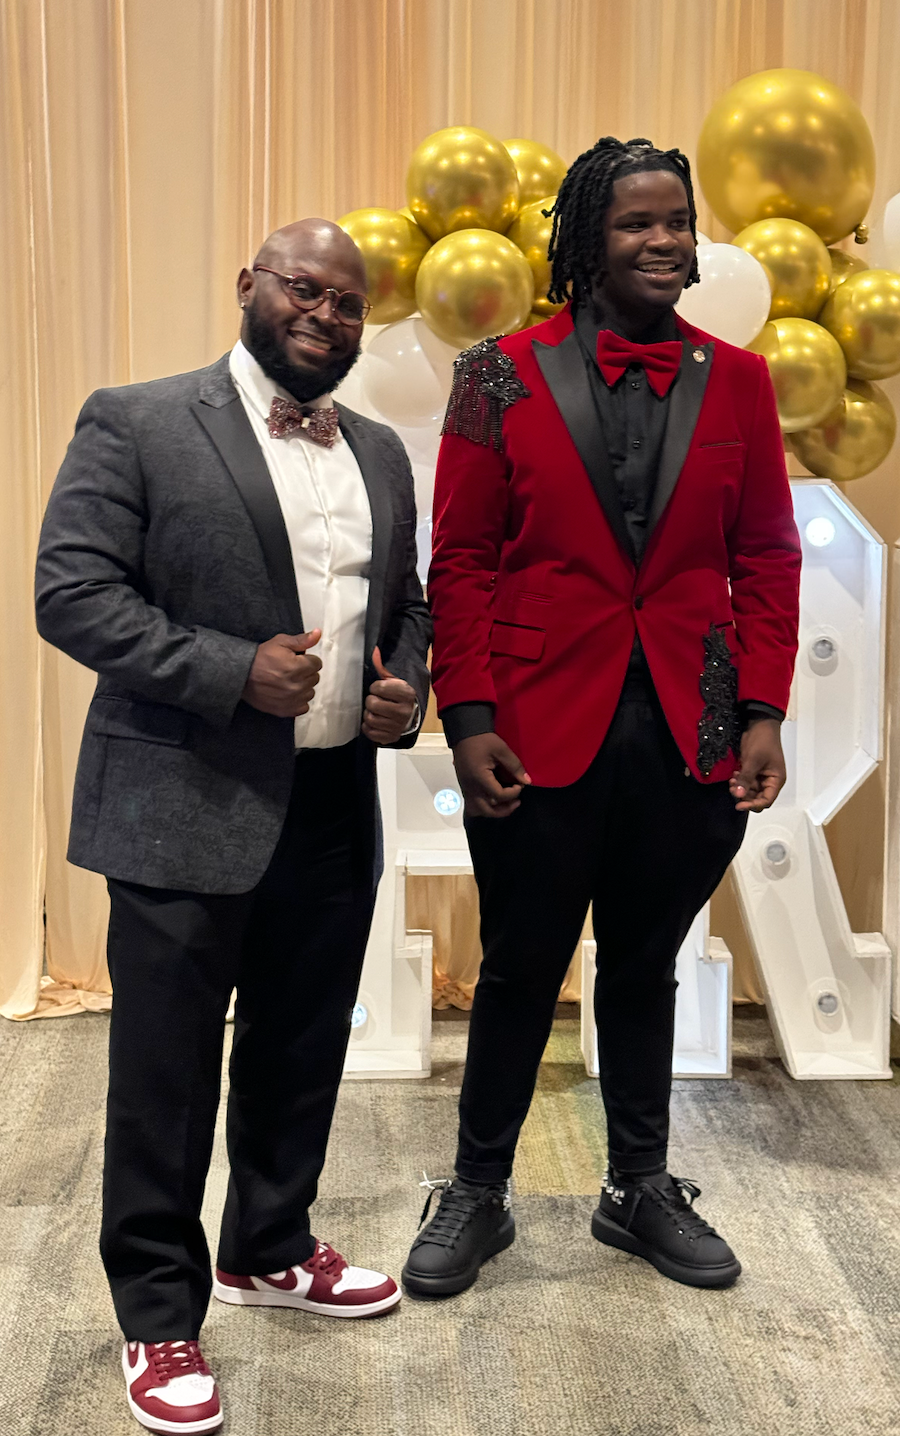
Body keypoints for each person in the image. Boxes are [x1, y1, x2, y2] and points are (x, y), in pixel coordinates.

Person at [35, 219, 431, 1433]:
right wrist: (225, 669)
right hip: (178, 796)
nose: (324, 312)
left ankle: (269, 1243)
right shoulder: (140, 417)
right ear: (249, 287)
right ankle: (159, 1315)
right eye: (303, 287)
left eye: (349, 301)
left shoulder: (380, 450)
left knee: (300, 1042)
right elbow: (72, 589)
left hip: (326, 803)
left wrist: (401, 686)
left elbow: (404, 605)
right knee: (163, 1071)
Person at [403, 137, 800, 1299]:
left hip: (695, 721)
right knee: (523, 959)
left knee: (645, 959)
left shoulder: (742, 381)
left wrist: (765, 705)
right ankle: (478, 1187)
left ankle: (639, 1185)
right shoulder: (494, 374)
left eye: (678, 219)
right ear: (586, 238)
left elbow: (767, 555)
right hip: (533, 717)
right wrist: (465, 708)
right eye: (637, 222)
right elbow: (463, 555)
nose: (666, 240)